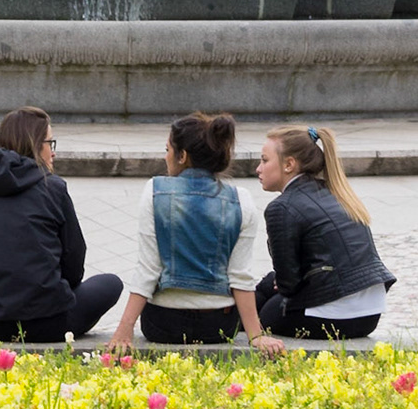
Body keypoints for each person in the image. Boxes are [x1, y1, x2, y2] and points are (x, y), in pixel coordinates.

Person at [105, 113, 284, 354]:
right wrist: (256, 336)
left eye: (168, 149)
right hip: (220, 326)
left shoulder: (154, 191)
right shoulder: (241, 200)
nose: (166, 156)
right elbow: (240, 277)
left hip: (162, 324)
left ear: (183, 156)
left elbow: (148, 270)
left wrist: (123, 329)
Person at [0, 106, 122, 341]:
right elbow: (74, 259)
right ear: (34, 144)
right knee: (111, 284)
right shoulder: (52, 187)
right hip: (49, 323)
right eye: (49, 143)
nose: (53, 153)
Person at [252, 126, 396, 340]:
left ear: (289, 164)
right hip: (370, 316)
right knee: (267, 285)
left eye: (264, 160)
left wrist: (282, 284)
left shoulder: (281, 208)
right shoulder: (336, 193)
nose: (258, 169)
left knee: (261, 315)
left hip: (335, 316)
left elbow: (288, 285)